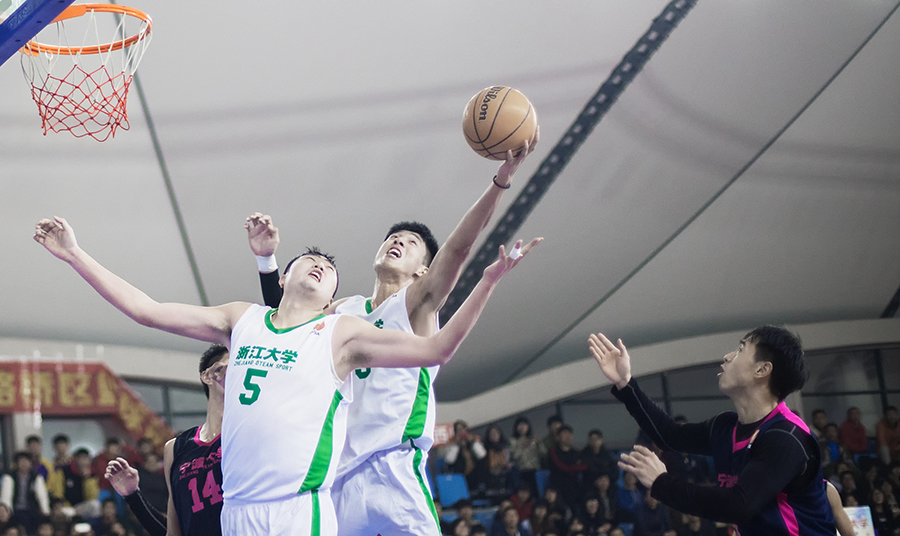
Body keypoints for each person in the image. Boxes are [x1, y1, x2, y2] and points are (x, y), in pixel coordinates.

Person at [35, 215, 536, 536]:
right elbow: (146, 310)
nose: (319, 265)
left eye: (328, 268)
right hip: (236, 511)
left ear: (333, 298)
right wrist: (76, 255)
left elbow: (437, 349)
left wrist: (488, 281)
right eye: (309, 260)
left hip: (299, 510)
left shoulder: (339, 331)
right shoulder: (243, 319)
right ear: (286, 275)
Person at [246, 130, 539, 536]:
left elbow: (457, 250)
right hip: (337, 477)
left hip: (394, 470)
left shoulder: (417, 305)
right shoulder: (343, 311)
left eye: (411, 242)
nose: (397, 241)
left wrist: (501, 180)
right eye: (393, 238)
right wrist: (267, 262)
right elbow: (287, 322)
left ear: (424, 269)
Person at [589, 326, 835, 535]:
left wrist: (661, 483)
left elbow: (738, 505)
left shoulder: (786, 437)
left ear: (762, 370)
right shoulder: (725, 427)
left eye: (740, 350)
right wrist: (625, 384)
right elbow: (670, 435)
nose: (727, 356)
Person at [107, 345, 228, 536]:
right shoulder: (176, 448)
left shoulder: (249, 436)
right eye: (232, 366)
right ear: (209, 375)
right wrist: (133, 496)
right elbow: (173, 532)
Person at [0, 451, 50, 533]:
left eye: (26, 461)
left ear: (30, 463)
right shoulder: (9, 477)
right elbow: (6, 496)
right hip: (15, 510)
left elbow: (42, 496)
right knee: (20, 518)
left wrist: (46, 512)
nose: (24, 464)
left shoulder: (36, 477)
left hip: (32, 509)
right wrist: (7, 512)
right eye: (21, 461)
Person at [548, 425, 586, 510]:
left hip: (574, 486)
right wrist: (574, 467)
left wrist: (573, 468)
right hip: (558, 486)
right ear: (558, 437)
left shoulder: (576, 453)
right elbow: (561, 468)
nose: (568, 437)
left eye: (570, 434)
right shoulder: (553, 452)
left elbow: (584, 466)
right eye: (564, 434)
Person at [509, 417, 544, 496]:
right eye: (520, 425)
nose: (522, 427)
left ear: (528, 426)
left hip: (535, 471)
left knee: (537, 494)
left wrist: (539, 443)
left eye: (524, 425)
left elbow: (544, 453)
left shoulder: (533, 439)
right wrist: (522, 446)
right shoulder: (513, 441)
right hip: (521, 472)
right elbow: (514, 456)